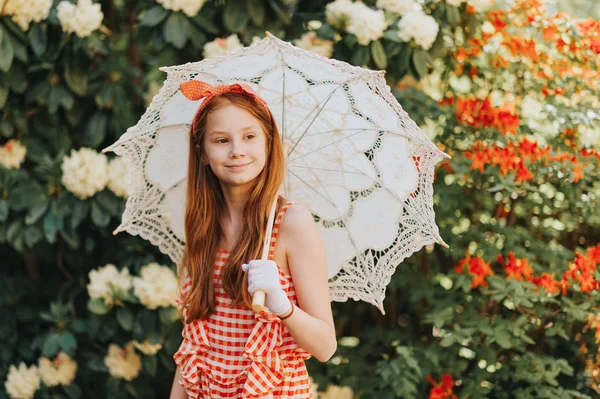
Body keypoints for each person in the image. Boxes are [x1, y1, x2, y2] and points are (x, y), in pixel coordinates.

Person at [169, 81, 336, 399]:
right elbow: (193, 343)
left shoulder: (291, 223)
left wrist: (282, 304)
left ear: (269, 144)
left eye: (249, 136)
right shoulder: (204, 225)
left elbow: (326, 346)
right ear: (202, 152)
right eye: (221, 140)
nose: (237, 150)